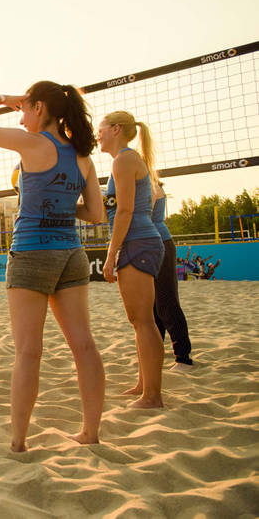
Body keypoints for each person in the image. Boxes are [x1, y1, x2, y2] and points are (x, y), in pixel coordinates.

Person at [0, 81, 105, 451]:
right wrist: (58, 207)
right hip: (71, 254)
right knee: (84, 346)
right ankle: (90, 433)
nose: (20, 119)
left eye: (24, 110)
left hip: (31, 253)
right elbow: (97, 214)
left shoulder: (33, 144)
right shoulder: (83, 156)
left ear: (39, 108)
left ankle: (19, 442)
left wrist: (0, 99)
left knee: (28, 352)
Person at [98, 110, 165, 409]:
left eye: (100, 129)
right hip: (138, 240)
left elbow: (125, 212)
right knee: (138, 320)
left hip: (137, 241)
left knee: (144, 321)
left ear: (115, 129)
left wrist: (111, 255)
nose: (97, 134)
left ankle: (152, 396)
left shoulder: (123, 160)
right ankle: (144, 384)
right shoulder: (127, 160)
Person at [151, 181, 195, 372]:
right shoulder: (143, 183)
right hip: (147, 245)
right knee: (153, 305)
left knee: (167, 302)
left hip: (160, 243)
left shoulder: (152, 186)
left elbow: (140, 213)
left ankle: (183, 357)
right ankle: (154, 352)